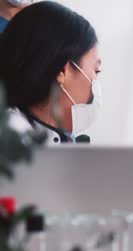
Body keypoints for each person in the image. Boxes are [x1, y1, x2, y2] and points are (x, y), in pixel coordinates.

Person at [0, 1, 102, 144]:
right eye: (96, 71)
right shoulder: (11, 143)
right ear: (62, 71)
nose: (96, 83)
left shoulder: (59, 140)